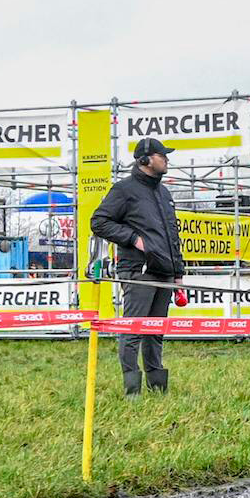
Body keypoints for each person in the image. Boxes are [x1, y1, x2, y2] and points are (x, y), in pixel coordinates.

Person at [89, 136, 185, 395]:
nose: (167, 159)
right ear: (145, 159)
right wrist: (134, 239)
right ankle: (132, 391)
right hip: (138, 272)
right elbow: (98, 221)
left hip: (164, 273)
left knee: (156, 331)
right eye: (161, 155)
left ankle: (157, 388)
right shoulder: (124, 190)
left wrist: (178, 274)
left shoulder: (164, 192)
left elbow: (172, 237)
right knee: (132, 330)